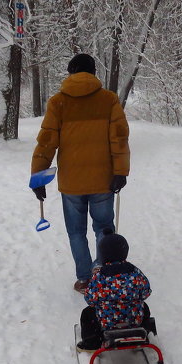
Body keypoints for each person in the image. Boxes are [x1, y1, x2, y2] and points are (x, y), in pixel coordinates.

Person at [30, 53, 130, 291]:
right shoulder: (109, 100)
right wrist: (120, 171)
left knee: (76, 231)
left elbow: (46, 142)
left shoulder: (58, 102)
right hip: (103, 180)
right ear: (93, 72)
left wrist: (38, 177)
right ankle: (104, 271)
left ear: (70, 72)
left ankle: (85, 278)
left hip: (72, 183)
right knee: (104, 227)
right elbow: (119, 138)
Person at [76, 232, 152, 351]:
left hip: (107, 322)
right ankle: (143, 332)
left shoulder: (100, 277)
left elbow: (90, 299)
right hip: (134, 319)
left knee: (87, 313)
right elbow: (146, 291)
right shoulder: (135, 272)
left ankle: (91, 343)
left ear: (102, 256)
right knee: (145, 307)